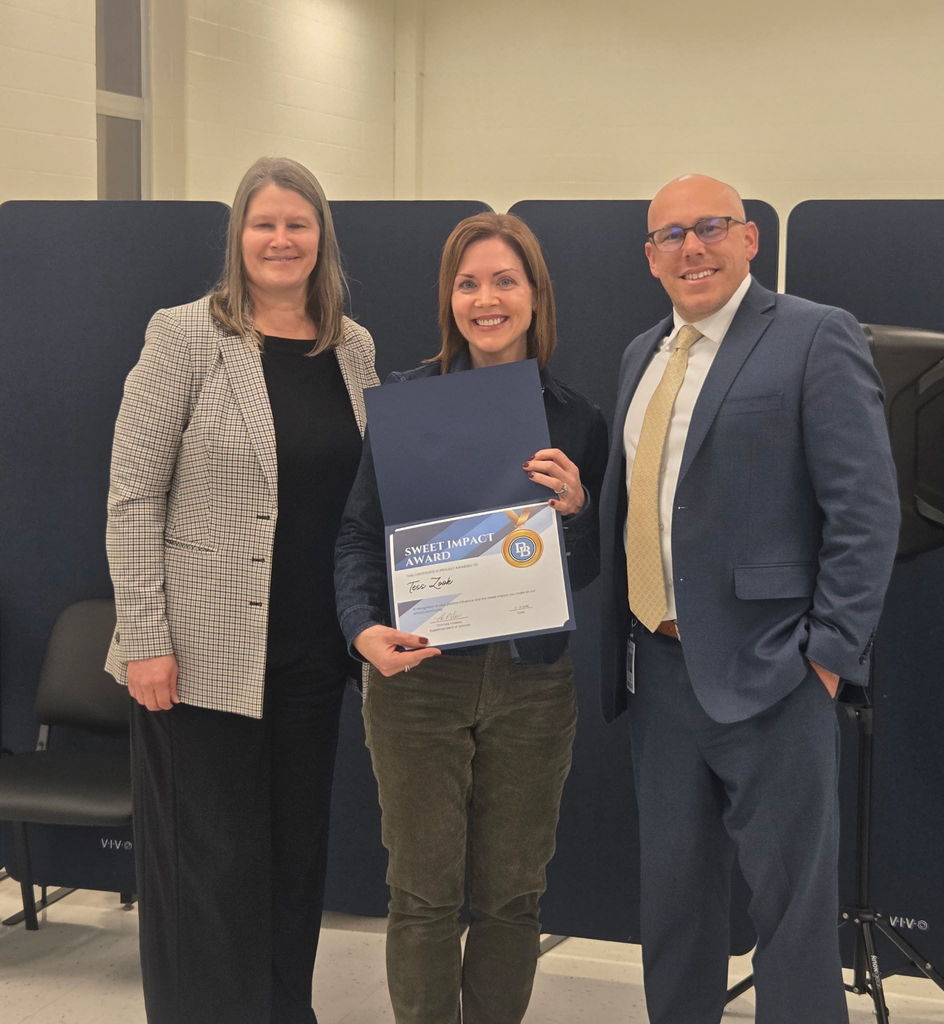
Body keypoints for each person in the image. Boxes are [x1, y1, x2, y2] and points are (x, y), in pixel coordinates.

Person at [598, 174, 901, 1024]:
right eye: (670, 236)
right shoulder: (641, 355)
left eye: (710, 228)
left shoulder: (813, 336)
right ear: (651, 257)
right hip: (657, 669)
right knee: (675, 914)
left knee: (792, 922)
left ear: (749, 239)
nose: (691, 248)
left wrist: (828, 658)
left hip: (774, 674)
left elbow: (866, 509)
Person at [105, 156, 378, 1024]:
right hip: (197, 656)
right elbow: (132, 493)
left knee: (295, 862)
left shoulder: (353, 346)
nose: (281, 239)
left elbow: (372, 497)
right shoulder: (185, 336)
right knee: (207, 873)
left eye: (299, 224)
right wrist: (144, 636)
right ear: (239, 236)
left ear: (321, 239)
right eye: (265, 223)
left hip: (311, 656)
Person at [334, 212, 607, 1024]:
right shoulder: (407, 405)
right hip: (418, 678)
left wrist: (577, 511)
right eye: (468, 282)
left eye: (504, 281)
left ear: (535, 295)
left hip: (531, 686)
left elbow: (582, 574)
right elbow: (357, 533)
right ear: (449, 297)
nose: (486, 299)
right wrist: (360, 626)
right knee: (421, 894)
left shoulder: (576, 418)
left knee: (512, 897)